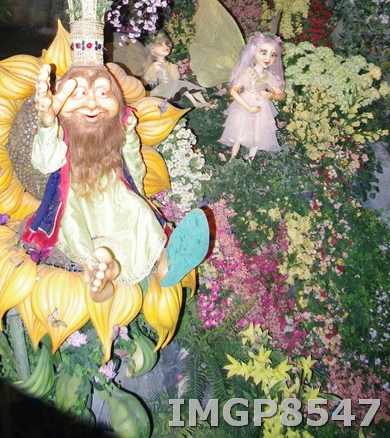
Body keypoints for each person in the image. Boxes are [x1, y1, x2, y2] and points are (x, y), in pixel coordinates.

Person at [20, 62, 210, 301]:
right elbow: (45, 162)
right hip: (75, 195)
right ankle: (96, 274)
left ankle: (165, 258)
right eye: (78, 94)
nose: (92, 104)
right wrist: (48, 124)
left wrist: (140, 192)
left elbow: (132, 158)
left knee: (138, 212)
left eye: (103, 93)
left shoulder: (118, 126)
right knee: (74, 226)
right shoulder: (59, 130)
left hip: (113, 189)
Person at [219, 34, 285, 162]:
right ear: (253, 52)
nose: (268, 58)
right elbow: (233, 91)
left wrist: (272, 95)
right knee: (239, 134)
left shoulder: (269, 76)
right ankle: (232, 159)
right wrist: (248, 107)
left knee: (258, 135)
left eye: (272, 55)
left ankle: (250, 162)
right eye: (263, 53)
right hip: (246, 103)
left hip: (261, 107)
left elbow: (281, 94)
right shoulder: (247, 72)